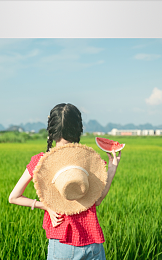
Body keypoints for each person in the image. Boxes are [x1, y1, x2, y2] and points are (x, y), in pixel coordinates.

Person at [9, 103, 121, 260]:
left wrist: (45, 206)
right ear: (78, 129)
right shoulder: (90, 162)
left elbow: (13, 197)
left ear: (52, 129)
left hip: (63, 245)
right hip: (93, 243)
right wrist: (112, 168)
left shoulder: (40, 162)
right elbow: (98, 200)